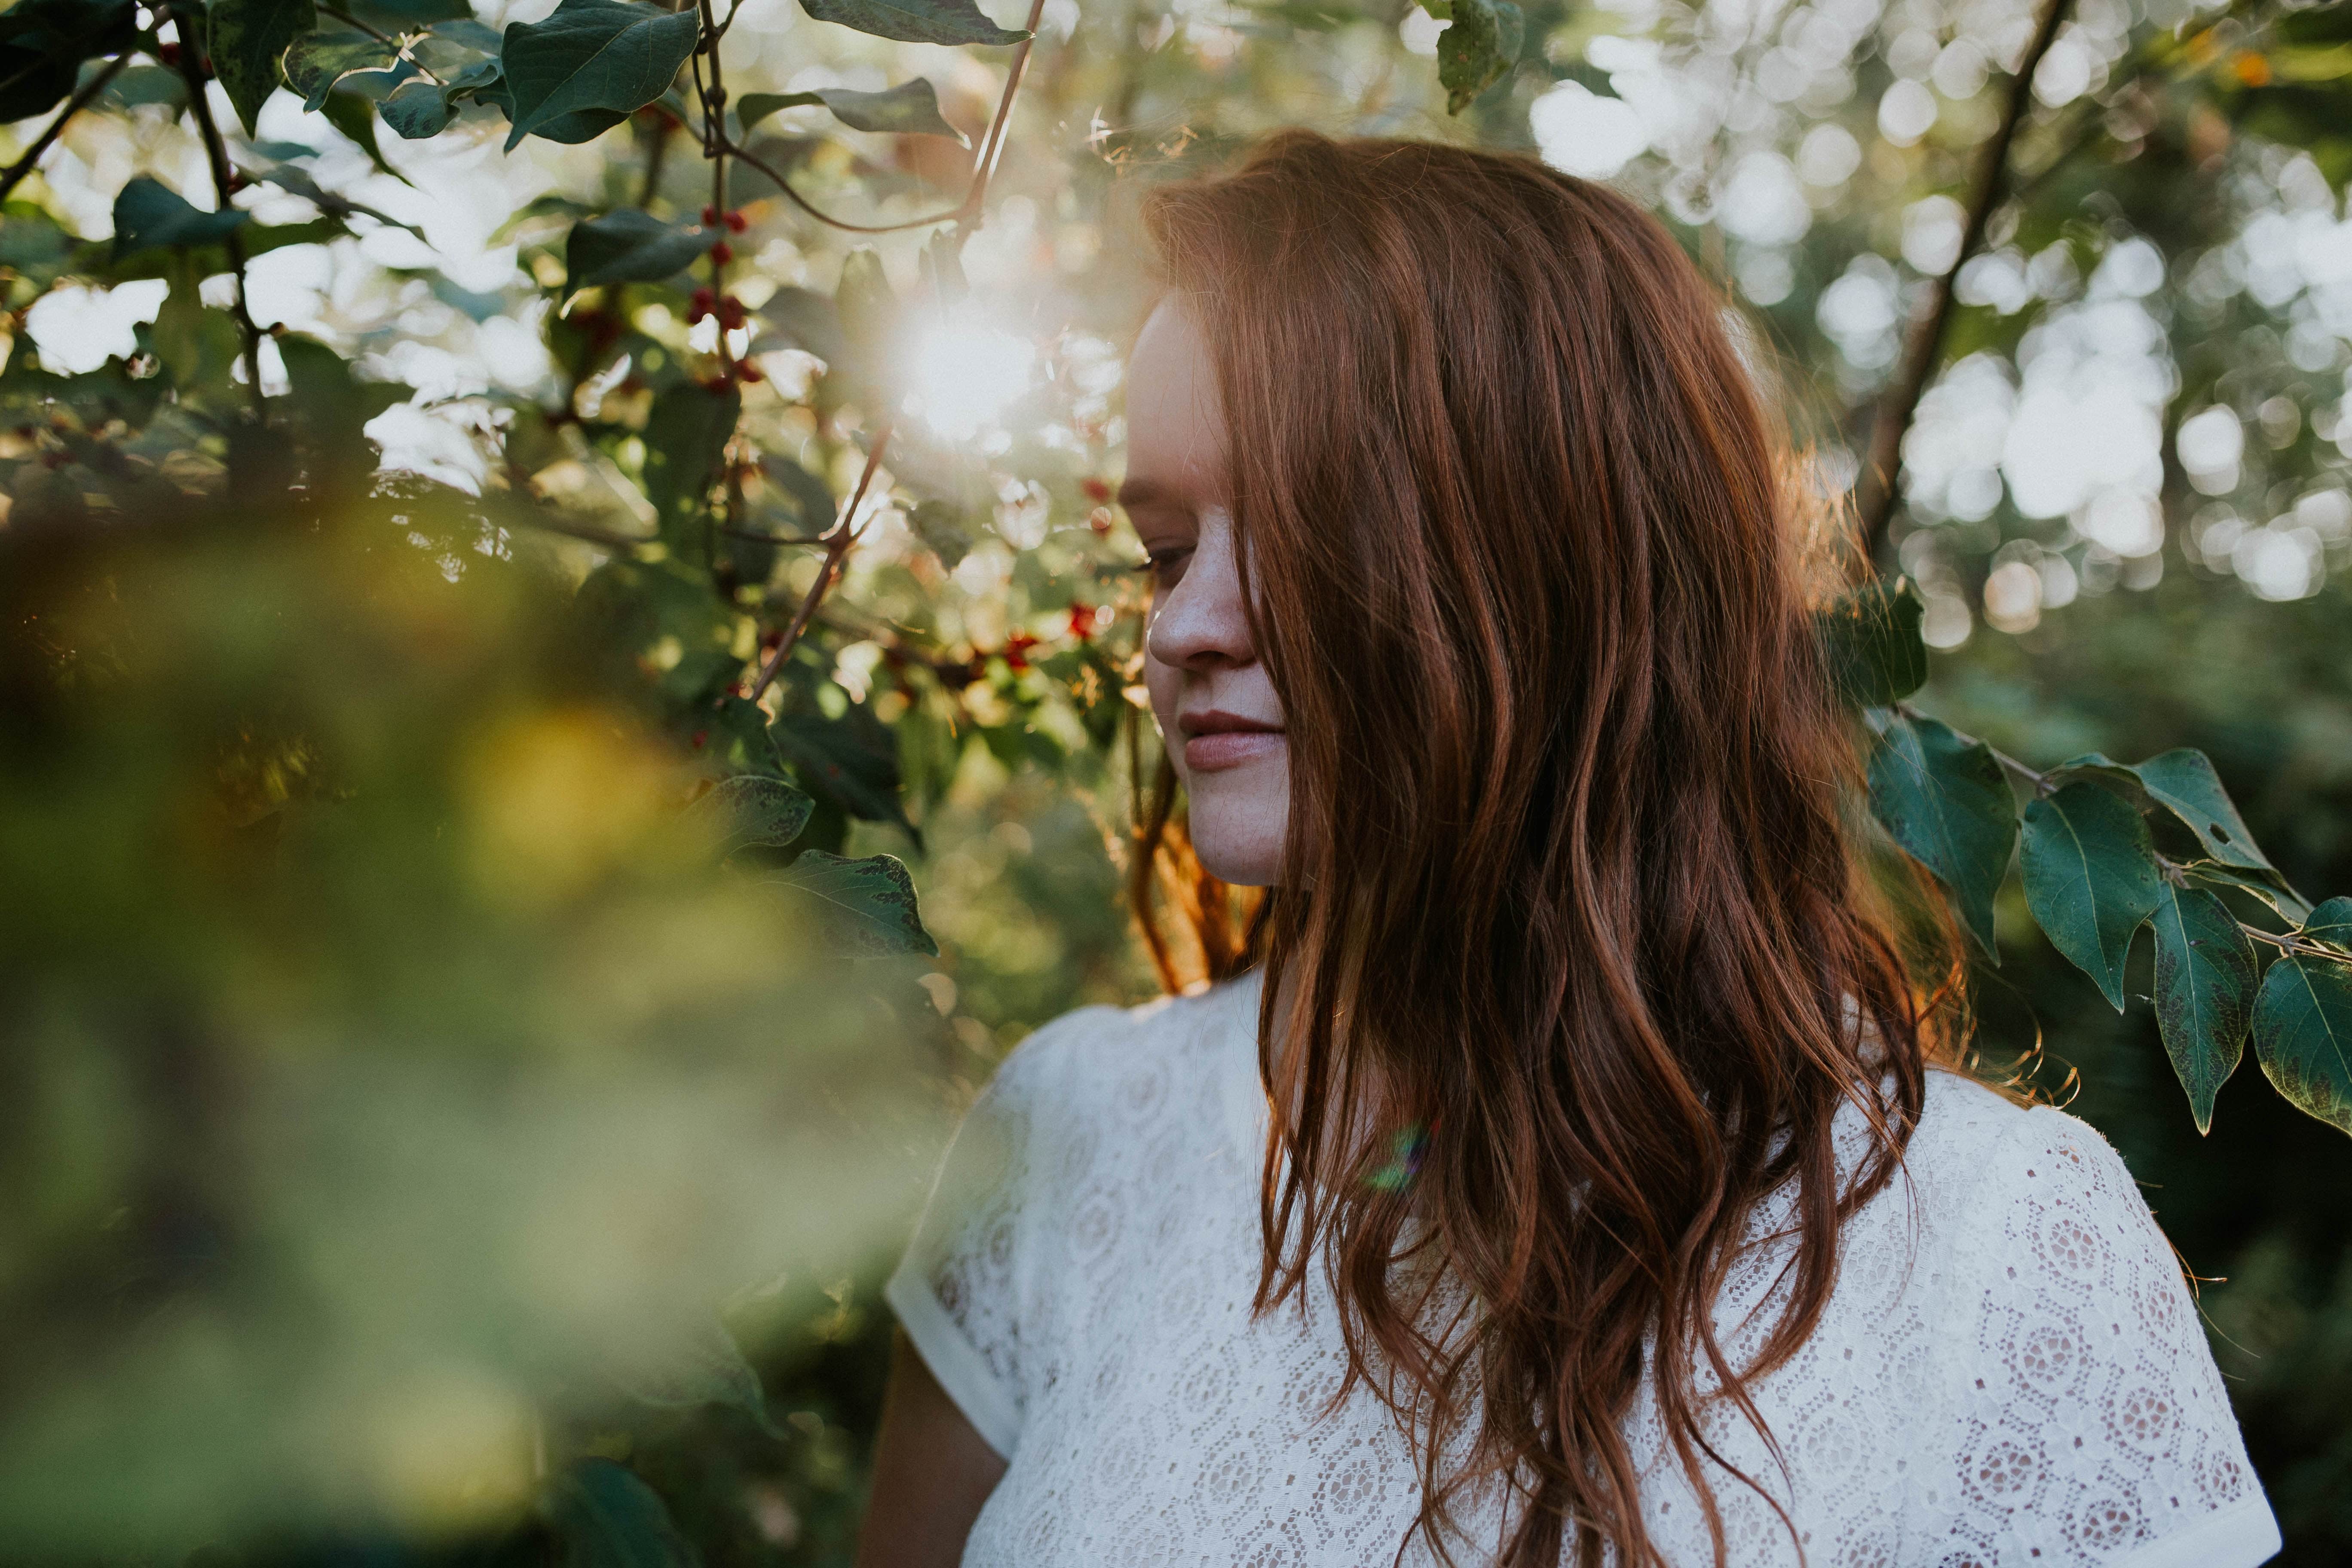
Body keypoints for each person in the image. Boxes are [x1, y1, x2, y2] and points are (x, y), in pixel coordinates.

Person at [852, 132, 2282, 1568]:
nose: (1182, 629)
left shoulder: (1995, 1256)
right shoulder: (1070, 1135)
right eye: (1165, 550)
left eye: (1299, 532)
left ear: (1556, 569)